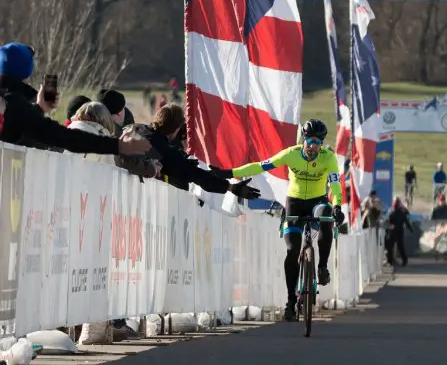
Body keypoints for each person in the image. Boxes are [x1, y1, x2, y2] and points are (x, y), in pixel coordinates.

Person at [211, 119, 346, 322]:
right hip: (294, 203)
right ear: (303, 140)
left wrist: (337, 205)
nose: (313, 146)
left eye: (318, 142)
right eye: (310, 140)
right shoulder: (291, 154)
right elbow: (261, 166)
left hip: (318, 201)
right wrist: (230, 173)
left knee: (326, 212)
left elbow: (335, 186)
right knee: (292, 251)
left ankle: (322, 267)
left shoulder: (329, 158)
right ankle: (291, 301)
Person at [0, 42, 150, 157]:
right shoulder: (14, 103)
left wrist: (39, 109)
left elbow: (18, 126)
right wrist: (118, 146)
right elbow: (61, 137)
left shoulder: (11, 103)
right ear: (27, 72)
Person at [117, 104, 259, 200]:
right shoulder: (167, 152)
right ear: (176, 129)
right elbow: (198, 176)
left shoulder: (134, 128)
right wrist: (231, 187)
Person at [385, 196, 413, 267]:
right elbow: (407, 222)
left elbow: (388, 222)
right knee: (401, 247)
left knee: (390, 247)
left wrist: (389, 227)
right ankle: (404, 261)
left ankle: (390, 261)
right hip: (400, 231)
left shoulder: (392, 213)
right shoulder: (402, 213)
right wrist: (411, 230)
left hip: (393, 231)